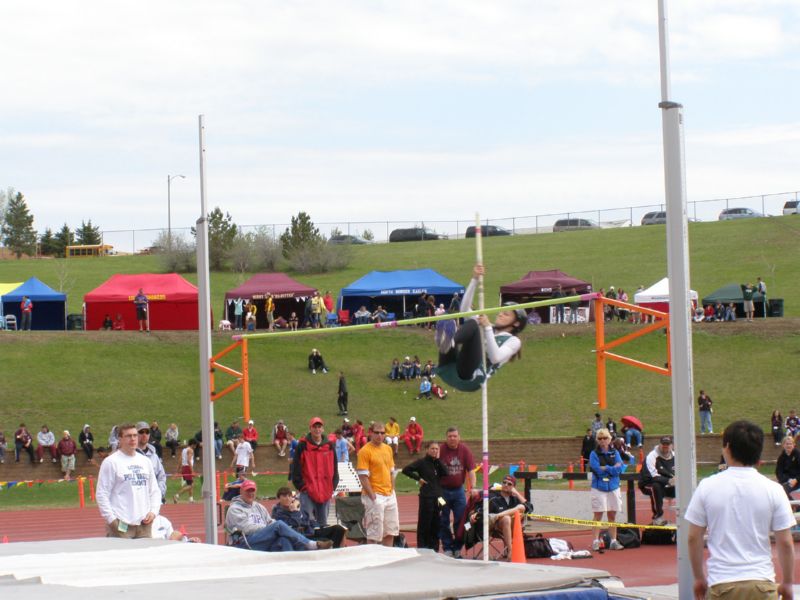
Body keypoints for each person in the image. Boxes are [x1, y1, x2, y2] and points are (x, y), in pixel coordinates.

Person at [686, 420, 795, 600]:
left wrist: (698, 577)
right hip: (762, 582)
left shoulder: (707, 486)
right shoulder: (773, 489)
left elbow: (693, 537)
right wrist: (788, 582)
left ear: (727, 447)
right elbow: (785, 542)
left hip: (722, 583)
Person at [435, 264, 525, 392]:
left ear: (516, 323)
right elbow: (464, 310)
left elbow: (496, 358)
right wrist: (474, 280)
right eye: (501, 311)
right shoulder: (488, 326)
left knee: (474, 325)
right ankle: (448, 343)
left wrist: (487, 327)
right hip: (451, 364)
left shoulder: (514, 341)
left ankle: (451, 342)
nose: (500, 314)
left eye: (506, 314)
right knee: (449, 318)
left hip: (471, 375)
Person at [225, 479, 332, 552]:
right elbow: (246, 528)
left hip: (262, 540)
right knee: (279, 525)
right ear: (241, 491)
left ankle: (292, 570)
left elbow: (270, 521)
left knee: (284, 540)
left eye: (252, 490)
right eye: (248, 490)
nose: (251, 493)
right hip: (244, 543)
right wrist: (271, 529)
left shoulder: (259, 507)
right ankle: (311, 544)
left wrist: (274, 527)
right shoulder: (235, 509)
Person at [96, 422, 161, 538]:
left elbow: (154, 490)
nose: (133, 439)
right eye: (128, 436)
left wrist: (154, 512)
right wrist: (111, 520)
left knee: (146, 555)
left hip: (144, 524)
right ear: (120, 439)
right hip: (121, 523)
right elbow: (102, 494)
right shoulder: (111, 462)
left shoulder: (145, 462)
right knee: (123, 556)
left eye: (135, 435)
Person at [357, 422, 399, 546]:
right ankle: (374, 561)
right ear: (370, 433)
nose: (379, 435)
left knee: (390, 531)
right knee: (374, 533)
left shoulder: (388, 448)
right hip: (375, 495)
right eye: (377, 432)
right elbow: (363, 476)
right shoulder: (365, 451)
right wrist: (372, 496)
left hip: (389, 494)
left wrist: (392, 490)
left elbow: (392, 471)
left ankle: (388, 559)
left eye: (382, 433)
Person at [292, 417, 339, 526]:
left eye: (319, 427)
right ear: (310, 428)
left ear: (322, 429)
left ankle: (322, 542)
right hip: (308, 490)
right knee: (308, 523)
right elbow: (296, 468)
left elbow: (335, 467)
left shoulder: (329, 446)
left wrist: (332, 486)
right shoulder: (302, 446)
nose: (317, 429)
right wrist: (302, 486)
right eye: (315, 427)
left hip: (325, 490)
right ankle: (310, 543)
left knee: (323, 525)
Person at [438, 426, 476, 558]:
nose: (452, 438)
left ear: (459, 437)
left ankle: (457, 547)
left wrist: (473, 488)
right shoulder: (440, 450)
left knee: (461, 520)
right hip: (442, 492)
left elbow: (471, 471)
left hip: (459, 491)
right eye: (450, 436)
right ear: (446, 438)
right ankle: (447, 547)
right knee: (443, 518)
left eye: (455, 436)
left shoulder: (464, 450)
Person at [475, 475, 532, 560]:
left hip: (514, 528)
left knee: (521, 507)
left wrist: (517, 493)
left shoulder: (515, 499)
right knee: (506, 518)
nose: (506, 485)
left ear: (513, 487)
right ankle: (510, 550)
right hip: (496, 527)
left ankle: (499, 515)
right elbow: (481, 511)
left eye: (509, 484)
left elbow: (530, 508)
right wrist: (475, 514)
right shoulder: (494, 498)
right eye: (504, 482)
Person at [402, 440, 446, 550]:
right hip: (427, 497)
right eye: (432, 449)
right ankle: (423, 548)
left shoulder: (438, 463)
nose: (435, 451)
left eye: (436, 449)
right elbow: (406, 470)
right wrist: (418, 479)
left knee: (436, 524)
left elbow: (446, 473)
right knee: (424, 524)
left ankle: (435, 549)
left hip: (439, 497)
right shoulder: (421, 462)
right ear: (427, 450)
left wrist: (438, 459)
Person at [589, 428, 626, 551]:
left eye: (605, 438)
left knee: (612, 514)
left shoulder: (615, 453)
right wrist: (611, 469)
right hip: (599, 487)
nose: (603, 440)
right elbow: (596, 469)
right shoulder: (594, 453)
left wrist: (606, 468)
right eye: (600, 438)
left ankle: (613, 541)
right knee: (598, 514)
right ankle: (595, 540)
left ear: (610, 439)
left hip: (613, 486)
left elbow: (619, 468)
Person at [272, 486, 346, 548]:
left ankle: (336, 551)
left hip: (310, 530)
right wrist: (295, 511)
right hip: (301, 536)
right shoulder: (278, 513)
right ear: (279, 498)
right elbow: (293, 524)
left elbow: (307, 520)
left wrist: (320, 526)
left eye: (289, 496)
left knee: (339, 529)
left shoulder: (296, 507)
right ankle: (330, 550)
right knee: (324, 538)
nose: (288, 498)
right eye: (284, 496)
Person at [639, 436, 675, 525]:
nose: (665, 446)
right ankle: (657, 516)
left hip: (669, 483)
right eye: (663, 444)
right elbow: (652, 476)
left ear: (672, 446)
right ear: (660, 444)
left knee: (687, 486)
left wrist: (676, 480)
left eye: (668, 444)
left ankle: (688, 515)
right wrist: (669, 481)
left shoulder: (675, 456)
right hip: (649, 483)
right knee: (656, 486)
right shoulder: (652, 456)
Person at [136, 421, 167, 503]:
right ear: (135, 435)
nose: (144, 434)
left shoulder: (154, 455)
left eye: (147, 432)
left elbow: (161, 476)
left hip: (154, 501)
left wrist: (159, 492)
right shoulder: (131, 454)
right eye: (141, 432)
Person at [775, 436, 800, 503]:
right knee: (778, 492)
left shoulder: (798, 455)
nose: (789, 445)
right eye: (787, 444)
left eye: (790, 443)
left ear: (794, 445)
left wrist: (796, 479)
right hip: (786, 481)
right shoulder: (781, 457)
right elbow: (778, 472)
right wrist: (787, 480)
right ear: (783, 445)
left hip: (797, 481)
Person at [174, 438, 197, 503]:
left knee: (190, 484)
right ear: (193, 444)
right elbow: (188, 460)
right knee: (191, 485)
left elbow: (180, 460)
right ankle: (177, 495)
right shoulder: (190, 450)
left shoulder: (184, 450)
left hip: (184, 467)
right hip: (187, 468)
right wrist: (192, 471)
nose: (195, 447)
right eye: (195, 445)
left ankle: (191, 499)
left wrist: (178, 470)